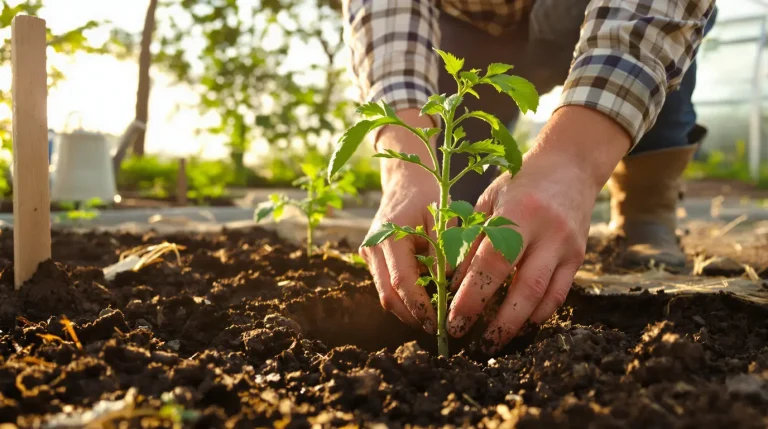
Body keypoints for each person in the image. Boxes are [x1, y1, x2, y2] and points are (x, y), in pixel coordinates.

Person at [342, 0, 717, 353]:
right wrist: (405, 164)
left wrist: (573, 162)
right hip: (467, 30)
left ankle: (647, 208)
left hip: (606, 14)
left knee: (671, 51)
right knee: (448, 221)